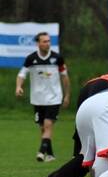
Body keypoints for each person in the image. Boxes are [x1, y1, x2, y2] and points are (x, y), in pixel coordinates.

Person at [15, 32, 70, 162]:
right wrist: (18, 86)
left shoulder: (57, 58)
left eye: (49, 41)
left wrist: (67, 95)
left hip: (54, 98)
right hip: (37, 99)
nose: (47, 43)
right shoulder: (31, 59)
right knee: (42, 128)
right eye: (44, 41)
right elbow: (21, 75)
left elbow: (65, 77)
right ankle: (50, 155)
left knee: (48, 125)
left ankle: (41, 152)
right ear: (38, 43)